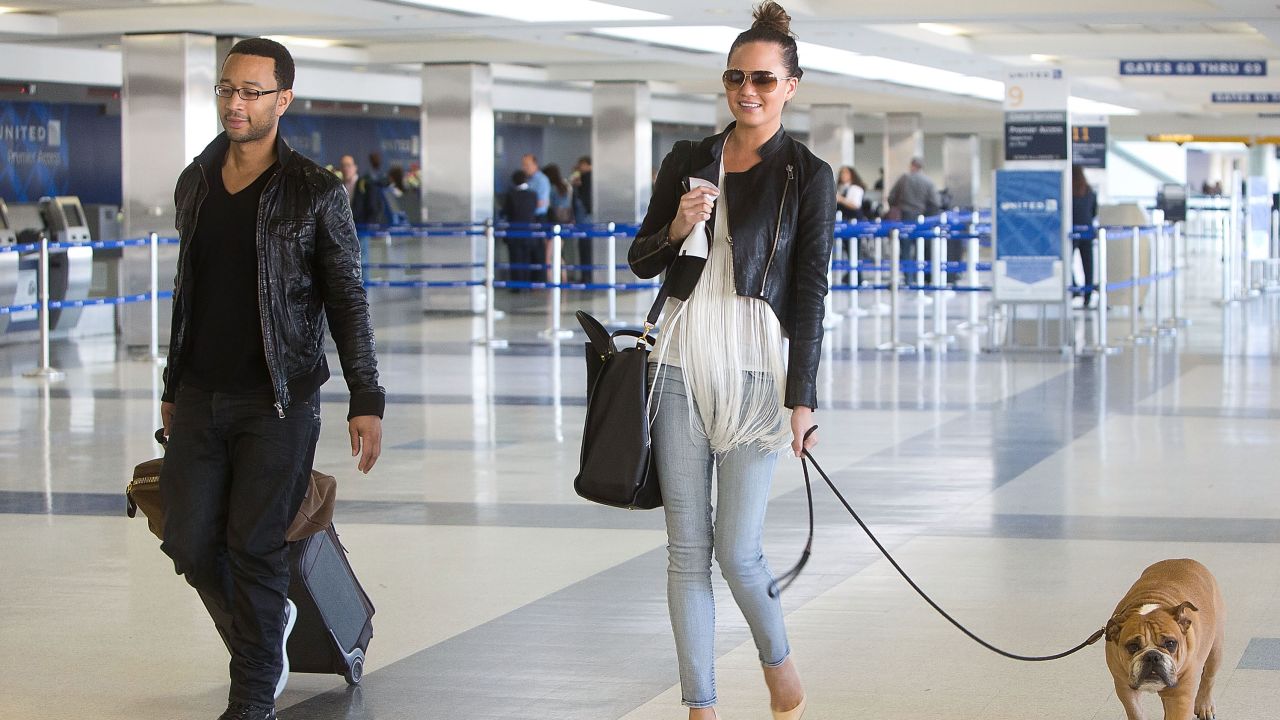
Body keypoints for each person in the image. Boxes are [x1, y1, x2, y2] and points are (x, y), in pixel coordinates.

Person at [159, 37, 385, 720]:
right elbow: (187, 292)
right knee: (191, 542)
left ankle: (252, 692)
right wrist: (172, 386)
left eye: (252, 91)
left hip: (279, 398)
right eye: (229, 88)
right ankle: (270, 629)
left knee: (254, 544)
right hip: (200, 393)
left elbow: (346, 296)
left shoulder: (315, 191)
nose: (236, 101)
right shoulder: (195, 180)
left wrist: (365, 396)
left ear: (282, 100)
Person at [627, 3, 832, 718]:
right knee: (687, 552)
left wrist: (802, 398)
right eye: (736, 77)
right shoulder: (688, 159)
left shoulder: (807, 174)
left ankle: (777, 657)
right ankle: (700, 705)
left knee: (737, 552)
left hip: (753, 369)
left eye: (764, 80)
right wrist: (678, 224)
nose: (748, 91)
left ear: (791, 85)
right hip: (678, 361)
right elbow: (639, 259)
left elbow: (810, 290)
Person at [887, 157, 941, 283]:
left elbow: (891, 197)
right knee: (920, 248)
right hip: (921, 219)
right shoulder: (928, 181)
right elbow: (935, 202)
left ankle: (908, 278)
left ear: (912, 165)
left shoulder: (904, 179)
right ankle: (920, 277)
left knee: (905, 249)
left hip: (904, 217)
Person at [503, 170, 538, 285]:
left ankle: (516, 285)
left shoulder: (511, 195)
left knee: (515, 259)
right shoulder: (533, 194)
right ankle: (526, 283)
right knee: (526, 259)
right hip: (528, 231)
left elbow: (506, 212)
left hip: (514, 231)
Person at [1072, 164, 1099, 307]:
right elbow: (1094, 212)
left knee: (1066, 262)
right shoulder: (1089, 192)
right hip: (1087, 232)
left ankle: (1074, 287)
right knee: (1088, 264)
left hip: (1071, 232)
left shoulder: (1068, 192)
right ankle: (1087, 296)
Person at [570, 155, 595, 283]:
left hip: (584, 216)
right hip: (587, 215)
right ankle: (587, 275)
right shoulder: (593, 177)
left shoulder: (585, 177)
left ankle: (586, 276)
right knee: (586, 246)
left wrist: (576, 173)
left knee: (584, 246)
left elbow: (575, 187)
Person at [521, 153, 551, 222]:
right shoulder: (529, 179)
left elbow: (542, 202)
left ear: (535, 165)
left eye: (526, 165)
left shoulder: (542, 180)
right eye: (523, 165)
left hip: (538, 218)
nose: (524, 168)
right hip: (530, 217)